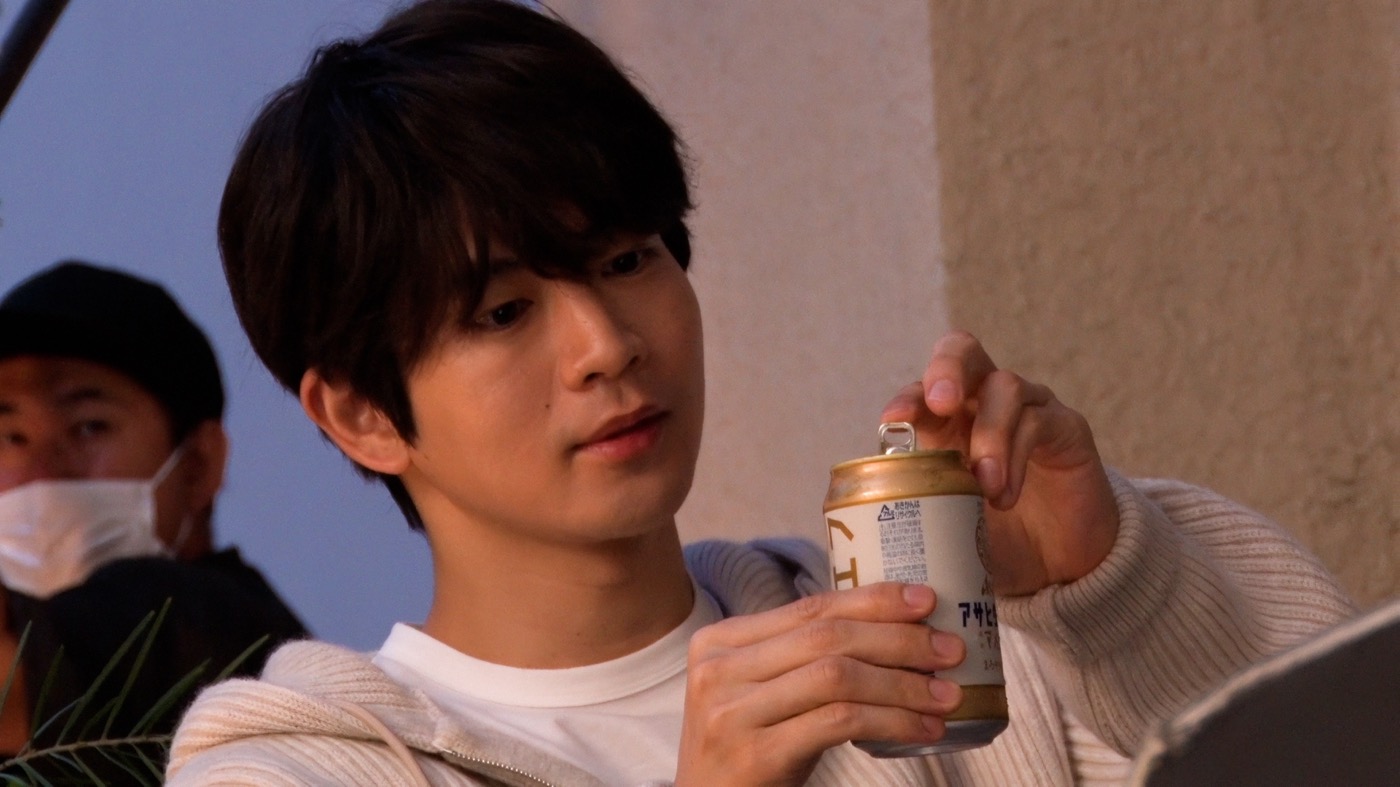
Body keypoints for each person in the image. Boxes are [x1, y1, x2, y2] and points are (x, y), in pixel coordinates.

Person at [166, 2, 1355, 785]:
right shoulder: (294, 769)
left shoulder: (923, 662)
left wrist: (1111, 592)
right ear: (361, 416)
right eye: (502, 313)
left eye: (627, 257)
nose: (604, 345)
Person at [0, 261, 308, 765]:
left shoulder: (213, 630)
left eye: (89, 426)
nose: (41, 470)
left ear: (198, 466)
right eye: (10, 436)